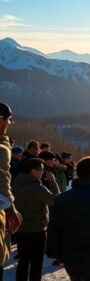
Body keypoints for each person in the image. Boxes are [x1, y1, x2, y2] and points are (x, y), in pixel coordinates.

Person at [12, 158, 57, 281]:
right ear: (33, 171)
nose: (43, 173)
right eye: (41, 170)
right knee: (36, 263)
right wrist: (53, 181)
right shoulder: (36, 187)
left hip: (20, 228)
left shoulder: (15, 183)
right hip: (36, 230)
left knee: (23, 262)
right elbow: (55, 200)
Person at [0, 102, 23, 275]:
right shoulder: (1, 150)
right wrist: (11, 210)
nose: (9, 124)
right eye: (8, 120)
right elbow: (2, 183)